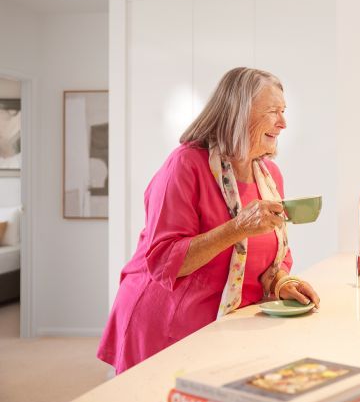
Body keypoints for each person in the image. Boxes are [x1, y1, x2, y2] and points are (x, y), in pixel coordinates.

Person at [97, 67, 320, 374]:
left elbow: (274, 255)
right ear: (239, 113)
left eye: (283, 111)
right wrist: (238, 227)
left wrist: (281, 281)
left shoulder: (269, 176)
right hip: (167, 323)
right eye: (273, 112)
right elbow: (163, 260)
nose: (283, 123)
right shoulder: (185, 165)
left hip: (224, 324)